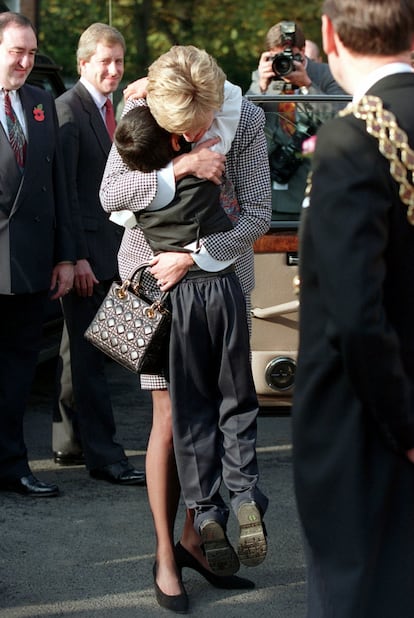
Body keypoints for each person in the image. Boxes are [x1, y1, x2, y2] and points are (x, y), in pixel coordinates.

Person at [100, 45, 271, 614]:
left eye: (199, 130)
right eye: (184, 130)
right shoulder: (141, 108)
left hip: (221, 284)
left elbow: (257, 213)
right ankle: (165, 557)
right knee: (172, 420)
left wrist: (194, 256)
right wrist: (182, 167)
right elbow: (112, 195)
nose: (194, 134)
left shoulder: (244, 116)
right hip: (151, 288)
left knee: (225, 404)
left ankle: (199, 538)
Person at [292, 0, 414, 616]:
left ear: (330, 34)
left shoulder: (351, 137)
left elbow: (354, 315)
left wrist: (406, 426)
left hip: (366, 431)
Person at [52, 23, 145, 486]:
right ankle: (106, 458)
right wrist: (76, 257)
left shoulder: (116, 109)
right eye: (104, 61)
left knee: (85, 349)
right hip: (88, 253)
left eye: (119, 61)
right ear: (83, 63)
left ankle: (71, 441)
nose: (113, 69)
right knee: (93, 358)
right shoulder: (68, 112)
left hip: (116, 248)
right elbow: (64, 193)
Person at [0, 12, 75, 497]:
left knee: (18, 373)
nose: (26, 62)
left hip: (31, 266)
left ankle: (12, 464)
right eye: (16, 52)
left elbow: (58, 187)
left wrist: (67, 256)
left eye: (31, 53)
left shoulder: (42, 102)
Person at [245, 20, 345, 221]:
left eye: (290, 55)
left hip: (315, 182)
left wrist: (307, 85)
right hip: (270, 184)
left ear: (302, 50)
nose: (284, 62)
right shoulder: (263, 75)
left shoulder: (326, 75)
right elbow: (243, 125)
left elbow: (340, 121)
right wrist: (260, 88)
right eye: (277, 56)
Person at [113, 104, 237, 251]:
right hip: (211, 268)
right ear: (175, 142)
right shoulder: (204, 176)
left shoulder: (139, 198)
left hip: (154, 264)